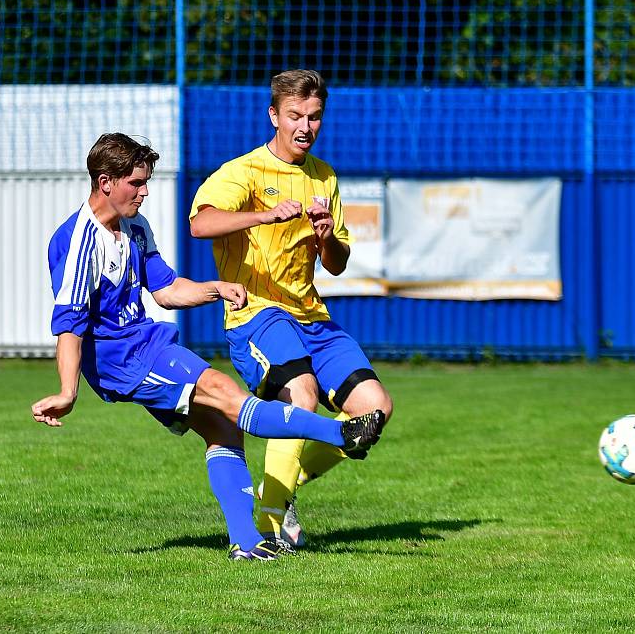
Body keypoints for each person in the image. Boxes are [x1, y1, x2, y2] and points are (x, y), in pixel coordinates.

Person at [31, 132, 385, 561]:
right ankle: (340, 432)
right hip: (121, 357)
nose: (144, 192)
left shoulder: (134, 227)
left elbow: (164, 290)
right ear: (105, 182)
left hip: (146, 342)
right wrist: (68, 391)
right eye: (136, 183)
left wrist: (215, 288)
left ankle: (247, 544)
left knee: (223, 427)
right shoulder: (77, 241)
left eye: (147, 182)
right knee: (225, 393)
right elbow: (69, 324)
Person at [189, 70, 394, 548]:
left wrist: (326, 238)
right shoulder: (243, 172)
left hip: (312, 316)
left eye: (315, 116)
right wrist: (263, 213)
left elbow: (338, 264)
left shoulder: (324, 176)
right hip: (256, 312)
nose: (306, 125)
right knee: (299, 392)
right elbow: (202, 224)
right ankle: (269, 527)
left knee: (375, 411)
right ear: (274, 116)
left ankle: (278, 489)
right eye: (295, 115)